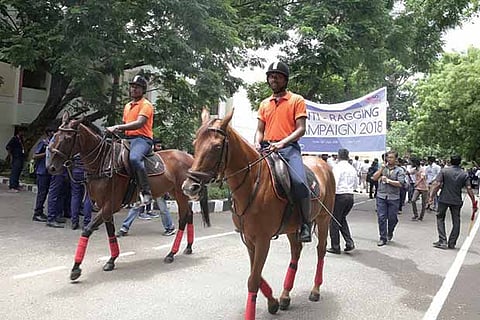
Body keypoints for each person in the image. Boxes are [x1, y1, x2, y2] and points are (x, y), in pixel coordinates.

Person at [254, 61, 312, 242]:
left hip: (288, 149)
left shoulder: (296, 100)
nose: (274, 79)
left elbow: (301, 129)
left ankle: (305, 224)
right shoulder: (264, 104)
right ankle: (244, 218)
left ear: (285, 79)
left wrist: (282, 143)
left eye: (278, 76)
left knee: (300, 182)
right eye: (271, 76)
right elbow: (260, 129)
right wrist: (257, 142)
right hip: (265, 148)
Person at [107, 75, 154, 206]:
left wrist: (117, 127)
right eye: (132, 86)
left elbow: (139, 123)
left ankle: (146, 191)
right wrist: (114, 131)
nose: (133, 89)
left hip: (142, 139)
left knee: (134, 159)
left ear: (143, 90)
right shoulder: (127, 106)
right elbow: (125, 124)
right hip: (128, 138)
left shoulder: (146, 105)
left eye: (137, 87)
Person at [429, 155, 477, 249]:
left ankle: (442, 240)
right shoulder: (464, 174)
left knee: (440, 218)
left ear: (450, 161)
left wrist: (431, 196)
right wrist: (473, 202)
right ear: (460, 162)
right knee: (456, 220)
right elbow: (469, 188)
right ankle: (452, 243)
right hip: (457, 200)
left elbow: (437, 184)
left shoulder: (444, 171)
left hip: (444, 198)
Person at [326, 148, 358, 254]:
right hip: (350, 195)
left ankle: (335, 246)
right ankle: (349, 242)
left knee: (334, 221)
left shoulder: (337, 168)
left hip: (339, 196)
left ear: (338, 156)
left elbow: (334, 182)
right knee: (341, 219)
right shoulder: (352, 168)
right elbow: (355, 185)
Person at [372, 151, 405, 246]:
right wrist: (381, 168)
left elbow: (400, 184)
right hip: (381, 196)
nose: (389, 159)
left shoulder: (400, 170)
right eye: (388, 157)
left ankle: (390, 232)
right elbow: (374, 178)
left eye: (391, 157)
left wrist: (389, 181)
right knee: (381, 217)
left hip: (393, 197)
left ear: (396, 159)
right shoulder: (382, 168)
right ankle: (383, 237)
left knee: (392, 218)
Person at [32, 127, 55, 222]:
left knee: (45, 193)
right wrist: (46, 153)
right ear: (49, 133)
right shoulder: (43, 143)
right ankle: (37, 213)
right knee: (42, 193)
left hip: (49, 171)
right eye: (53, 131)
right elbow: (35, 155)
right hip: (42, 172)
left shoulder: (52, 143)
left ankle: (40, 211)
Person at [70, 153, 92, 230]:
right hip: (87, 171)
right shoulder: (87, 142)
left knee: (75, 196)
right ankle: (87, 223)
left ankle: (74, 222)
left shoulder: (74, 144)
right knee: (88, 196)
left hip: (76, 171)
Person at [5, 127, 26, 192]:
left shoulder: (21, 139)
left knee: (18, 171)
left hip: (20, 157)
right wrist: (11, 156)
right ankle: (12, 186)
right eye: (22, 132)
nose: (23, 133)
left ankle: (16, 185)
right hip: (15, 157)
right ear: (19, 132)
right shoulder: (14, 139)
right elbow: (8, 147)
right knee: (15, 171)